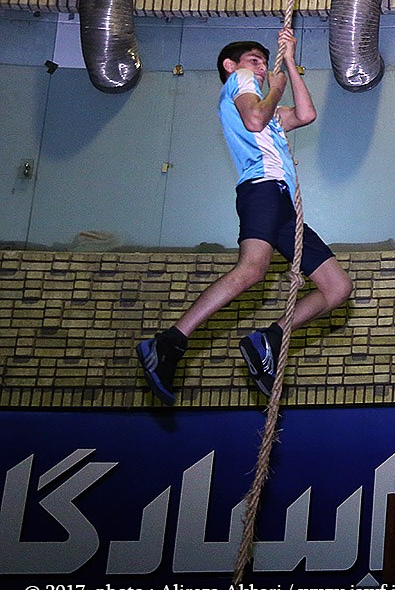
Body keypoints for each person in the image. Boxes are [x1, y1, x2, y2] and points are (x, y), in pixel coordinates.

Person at [137, 28, 352, 405]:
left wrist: (289, 63)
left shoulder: (268, 110)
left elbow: (306, 114)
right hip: (262, 190)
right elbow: (254, 119)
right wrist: (275, 88)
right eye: (255, 61)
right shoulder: (240, 82)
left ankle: (270, 339)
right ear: (230, 65)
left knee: (337, 288)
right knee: (252, 269)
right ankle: (169, 341)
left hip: (282, 203)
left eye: (264, 63)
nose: (261, 68)